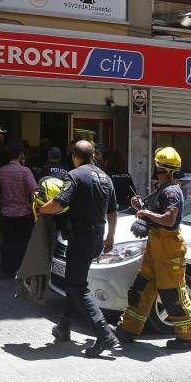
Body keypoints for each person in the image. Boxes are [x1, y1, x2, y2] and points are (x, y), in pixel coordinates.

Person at [36, 140, 119, 358]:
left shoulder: (75, 175)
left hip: (81, 237)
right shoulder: (106, 177)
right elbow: (112, 212)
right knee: (75, 280)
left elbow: (60, 203)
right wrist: (110, 236)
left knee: (76, 285)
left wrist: (41, 209)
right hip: (97, 238)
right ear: (93, 155)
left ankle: (103, 332)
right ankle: (64, 326)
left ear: (74, 156)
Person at [114, 147, 191, 350]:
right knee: (141, 288)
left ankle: (188, 336)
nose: (157, 171)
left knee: (172, 293)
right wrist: (139, 207)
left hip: (169, 249)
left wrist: (146, 214)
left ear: (162, 169)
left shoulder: (171, 191)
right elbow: (155, 213)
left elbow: (169, 219)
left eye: (158, 168)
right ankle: (128, 328)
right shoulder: (162, 190)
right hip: (155, 247)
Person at [0, 143, 39, 277]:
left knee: (8, 241)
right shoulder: (25, 171)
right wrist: (33, 205)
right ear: (21, 155)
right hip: (23, 212)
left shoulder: (2, 170)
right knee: (22, 242)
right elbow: (35, 190)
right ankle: (21, 268)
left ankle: (7, 269)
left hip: (6, 212)